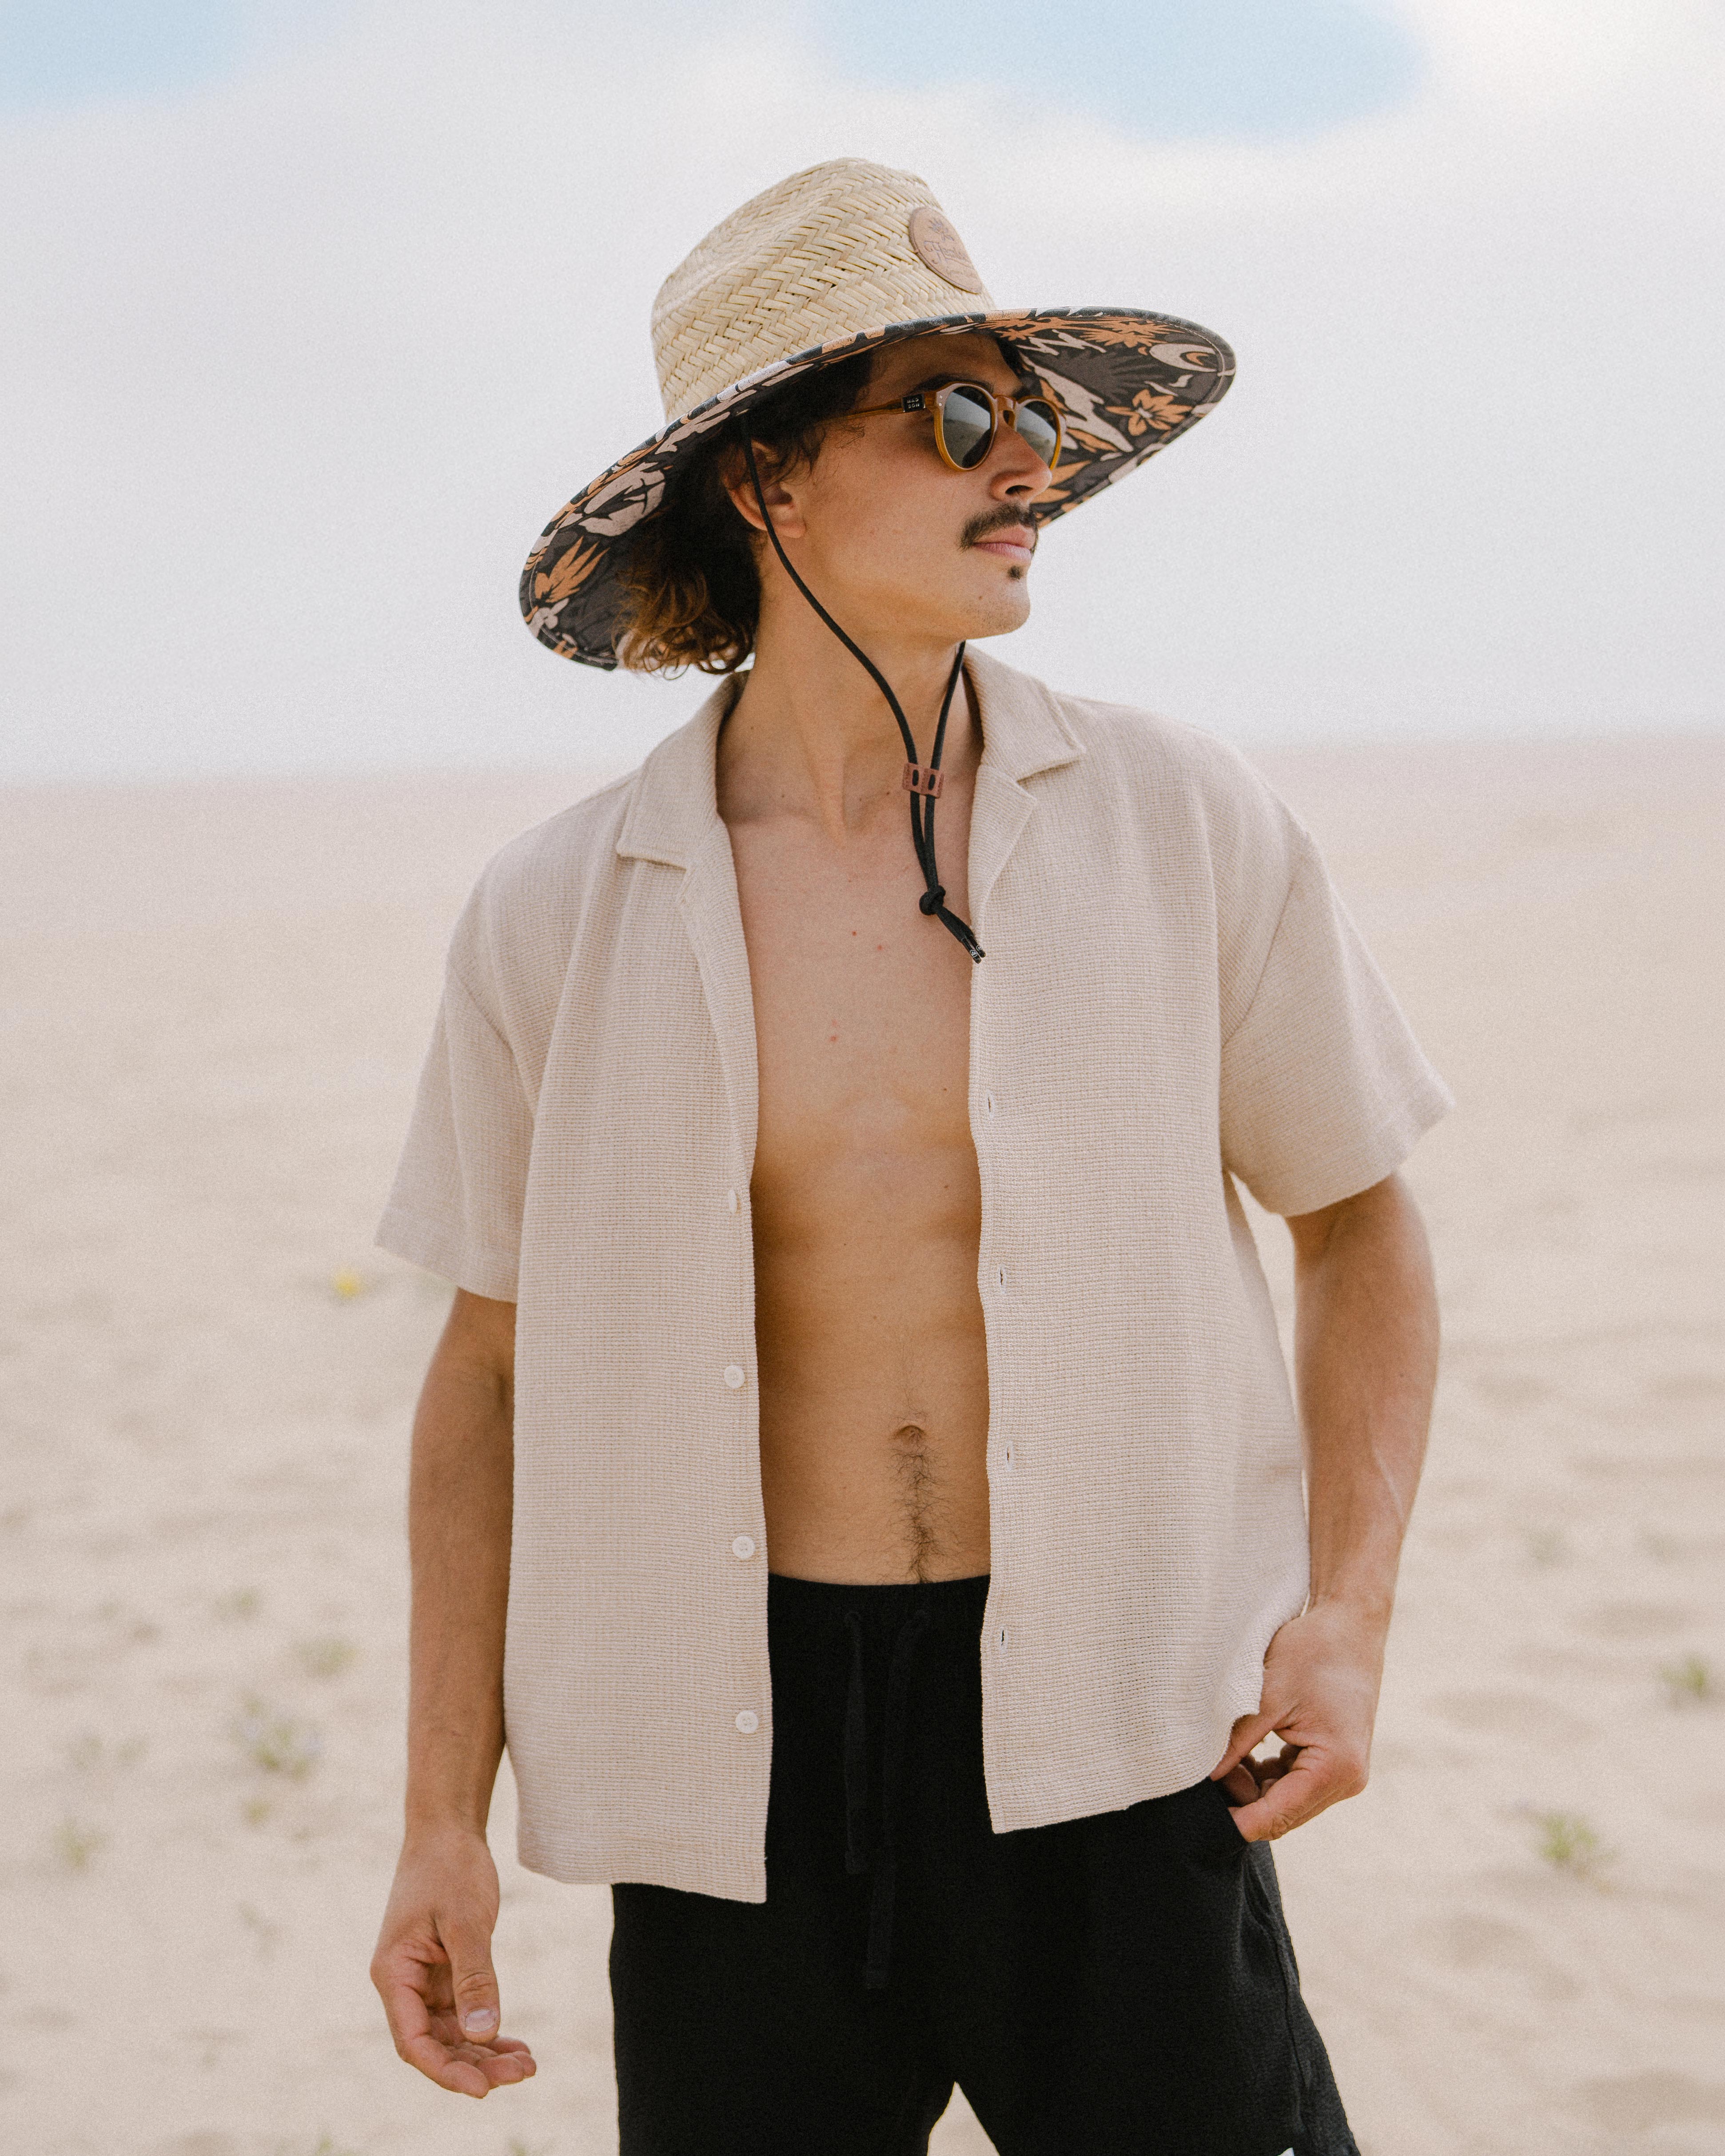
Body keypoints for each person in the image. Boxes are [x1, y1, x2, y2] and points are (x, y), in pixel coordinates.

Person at [369, 159, 1449, 2155]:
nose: (1023, 458)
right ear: (764, 481)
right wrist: (442, 1814)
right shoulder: (557, 909)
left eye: (1027, 412)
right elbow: (486, 1373)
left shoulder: (1176, 818)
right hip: (731, 1759)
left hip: (1123, 1726)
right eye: (956, 412)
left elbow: (1360, 1216)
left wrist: (1346, 1611)